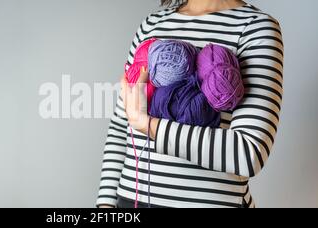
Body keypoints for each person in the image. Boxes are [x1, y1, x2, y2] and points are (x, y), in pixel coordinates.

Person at [97, 0, 284, 208]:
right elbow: (120, 126)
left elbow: (249, 153)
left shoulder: (255, 28)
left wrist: (149, 126)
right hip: (131, 202)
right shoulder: (152, 25)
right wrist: (105, 205)